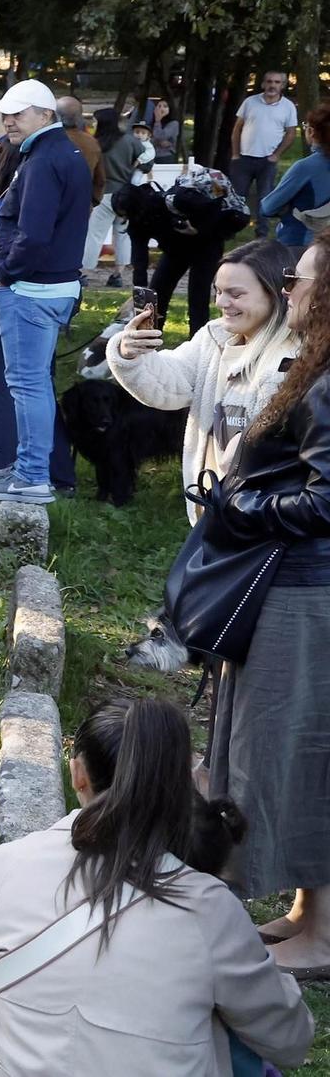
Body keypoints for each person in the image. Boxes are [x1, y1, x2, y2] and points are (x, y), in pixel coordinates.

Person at [0, 698, 314, 1076]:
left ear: (77, 774)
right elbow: (288, 1041)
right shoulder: (209, 908)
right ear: (180, 784)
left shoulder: (4, 864)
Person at [205, 231, 330, 976]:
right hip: (293, 584)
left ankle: (326, 936)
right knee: (284, 751)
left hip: (310, 592)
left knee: (300, 754)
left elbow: (325, 501)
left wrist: (243, 506)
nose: (291, 288)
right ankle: (305, 911)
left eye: (302, 278)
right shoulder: (316, 366)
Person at [109, 239, 296, 524]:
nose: (221, 303)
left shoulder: (292, 361)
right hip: (212, 512)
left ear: (274, 293)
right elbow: (169, 387)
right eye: (218, 291)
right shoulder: (214, 336)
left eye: (236, 294)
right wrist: (131, 354)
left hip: (261, 520)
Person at [0, 79, 92, 505]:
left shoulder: (44, 160)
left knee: (27, 384)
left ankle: (31, 475)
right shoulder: (61, 152)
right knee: (34, 383)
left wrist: (6, 275)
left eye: (18, 113)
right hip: (50, 285)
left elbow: (34, 235)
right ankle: (30, 469)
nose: (8, 121)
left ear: (45, 115)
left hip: (33, 288)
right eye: (6, 114)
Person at [150, 167, 252, 335]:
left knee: (199, 293)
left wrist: (199, 229)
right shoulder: (169, 201)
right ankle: (149, 334)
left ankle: (198, 340)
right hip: (180, 241)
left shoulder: (220, 200)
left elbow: (225, 217)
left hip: (211, 238)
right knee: (158, 289)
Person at [231, 71, 300, 238]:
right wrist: (235, 154)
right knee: (236, 197)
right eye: (269, 81)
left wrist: (277, 155)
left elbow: (291, 133)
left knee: (265, 199)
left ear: (282, 85)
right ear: (263, 84)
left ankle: (261, 234)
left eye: (277, 82)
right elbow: (237, 128)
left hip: (267, 161)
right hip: (244, 158)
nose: (272, 85)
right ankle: (231, 230)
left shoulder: (288, 106)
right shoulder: (250, 102)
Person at [259, 102, 330, 262]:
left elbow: (268, 207)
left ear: (311, 131)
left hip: (298, 244)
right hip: (326, 246)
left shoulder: (305, 167)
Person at [85, 108, 138, 286]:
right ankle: (118, 275)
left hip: (104, 193)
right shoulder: (130, 141)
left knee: (94, 234)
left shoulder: (96, 143)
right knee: (123, 234)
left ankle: (84, 272)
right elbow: (147, 160)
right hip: (126, 194)